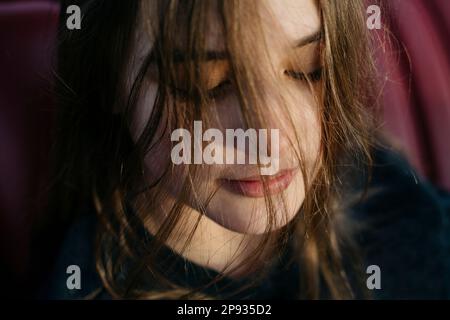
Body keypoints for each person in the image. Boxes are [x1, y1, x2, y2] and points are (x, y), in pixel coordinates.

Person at [43, 0, 450, 299]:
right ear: (108, 75)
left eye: (310, 68)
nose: (271, 140)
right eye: (204, 82)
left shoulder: (373, 177)